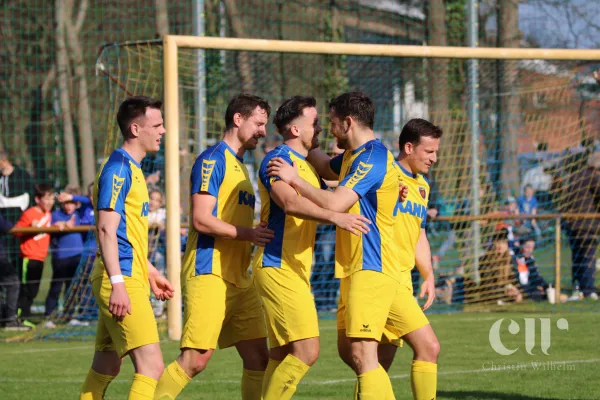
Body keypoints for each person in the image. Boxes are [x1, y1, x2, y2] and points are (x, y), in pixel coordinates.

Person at [267, 92, 402, 399]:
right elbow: (327, 167)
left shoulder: (371, 157)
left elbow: (336, 203)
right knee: (350, 352)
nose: (326, 129)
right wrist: (296, 132)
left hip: (372, 265)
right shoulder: (355, 155)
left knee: (364, 355)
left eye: (331, 122)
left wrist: (294, 179)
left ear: (348, 122)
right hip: (355, 267)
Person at [155, 94, 274, 400]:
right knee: (195, 360)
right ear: (238, 119)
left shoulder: (241, 167)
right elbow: (201, 219)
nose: (263, 131)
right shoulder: (213, 159)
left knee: (259, 358)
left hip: (240, 278)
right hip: (209, 272)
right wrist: (249, 234)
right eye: (258, 123)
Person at [253, 96, 371, 399]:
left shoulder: (306, 165)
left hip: (294, 268)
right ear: (295, 129)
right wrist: (336, 217)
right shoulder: (277, 161)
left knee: (281, 354)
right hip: (278, 265)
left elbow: (334, 186)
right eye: (314, 122)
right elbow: (290, 203)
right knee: (307, 350)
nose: (320, 128)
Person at [79, 96, 174, 400]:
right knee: (152, 367)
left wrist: (150, 271)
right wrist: (118, 283)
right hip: (119, 280)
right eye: (157, 125)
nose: (163, 131)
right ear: (135, 129)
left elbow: (126, 235)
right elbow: (106, 229)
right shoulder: (118, 169)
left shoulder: (132, 168)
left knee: (106, 366)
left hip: (127, 275)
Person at [366, 118, 442, 400]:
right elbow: (347, 186)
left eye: (436, 152)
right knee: (429, 347)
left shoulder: (423, 186)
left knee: (377, 365)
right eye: (429, 151)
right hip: (381, 274)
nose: (434, 158)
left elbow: (419, 233)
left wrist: (428, 275)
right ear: (409, 147)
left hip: (403, 279)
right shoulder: (385, 173)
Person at [0, 150, 33, 329]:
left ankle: (16, 313)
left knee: (17, 276)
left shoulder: (22, 177)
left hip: (18, 236)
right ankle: (10, 318)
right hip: (5, 236)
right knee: (11, 280)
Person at [14, 183, 55, 323]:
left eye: (52, 199)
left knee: (34, 290)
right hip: (28, 257)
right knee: (26, 288)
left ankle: (23, 315)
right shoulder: (29, 213)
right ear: (38, 199)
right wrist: (30, 227)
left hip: (41, 258)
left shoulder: (48, 214)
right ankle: (19, 318)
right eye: (47, 199)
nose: (50, 202)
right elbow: (16, 231)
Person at [44, 184, 83, 323]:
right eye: (66, 203)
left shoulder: (79, 214)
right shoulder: (55, 215)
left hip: (77, 256)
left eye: (71, 202)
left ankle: (69, 315)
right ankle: (49, 315)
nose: (68, 206)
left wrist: (73, 196)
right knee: (56, 287)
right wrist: (61, 224)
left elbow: (88, 200)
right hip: (60, 257)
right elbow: (51, 226)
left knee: (72, 287)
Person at [513, 237, 549, 301]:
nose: (530, 250)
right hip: (522, 288)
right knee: (538, 294)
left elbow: (535, 276)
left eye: (532, 248)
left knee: (549, 288)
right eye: (527, 247)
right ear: (521, 246)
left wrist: (544, 286)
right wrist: (535, 287)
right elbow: (521, 280)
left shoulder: (530, 259)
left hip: (531, 287)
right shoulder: (516, 259)